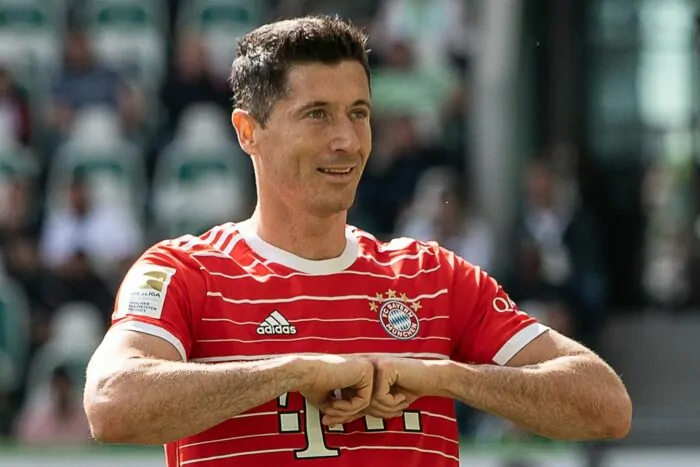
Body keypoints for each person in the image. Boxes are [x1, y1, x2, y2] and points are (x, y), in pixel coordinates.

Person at [82, 16, 632, 467]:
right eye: (317, 115)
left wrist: (447, 376)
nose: (346, 139)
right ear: (248, 131)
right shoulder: (185, 272)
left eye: (359, 114)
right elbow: (111, 403)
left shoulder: (432, 276)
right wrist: (293, 372)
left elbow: (606, 406)